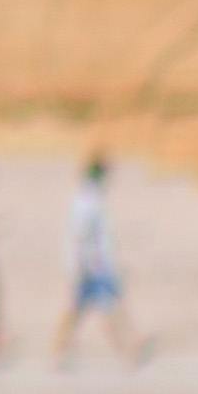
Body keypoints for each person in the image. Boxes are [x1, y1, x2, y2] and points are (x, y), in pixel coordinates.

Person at [54, 148, 148, 368]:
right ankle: (128, 350)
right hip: (91, 267)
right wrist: (82, 266)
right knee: (92, 309)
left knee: (103, 307)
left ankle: (129, 348)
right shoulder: (87, 200)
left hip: (95, 265)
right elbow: (81, 235)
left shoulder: (91, 198)